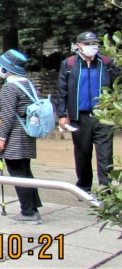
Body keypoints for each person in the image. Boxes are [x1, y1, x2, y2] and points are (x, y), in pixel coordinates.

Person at [55, 31, 119, 193]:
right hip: (80, 117)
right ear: (78, 45)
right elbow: (62, 91)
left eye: (94, 43)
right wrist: (62, 115)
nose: (92, 47)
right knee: (82, 154)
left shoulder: (106, 62)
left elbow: (117, 85)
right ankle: (84, 188)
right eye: (88, 44)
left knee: (105, 155)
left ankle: (106, 190)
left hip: (103, 117)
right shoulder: (69, 64)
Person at [0, 49, 42, 222]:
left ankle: (28, 212)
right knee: (26, 171)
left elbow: (7, 115)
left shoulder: (10, 87)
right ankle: (33, 207)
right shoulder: (28, 84)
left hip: (14, 135)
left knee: (18, 173)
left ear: (6, 69)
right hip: (27, 132)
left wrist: (1, 138)